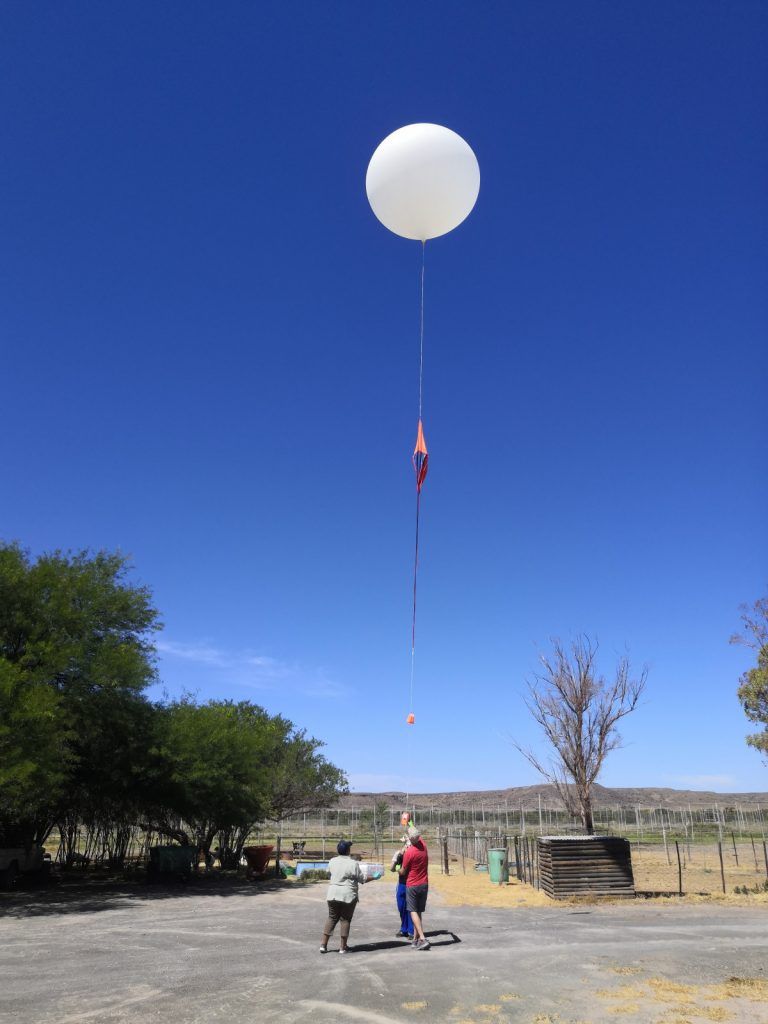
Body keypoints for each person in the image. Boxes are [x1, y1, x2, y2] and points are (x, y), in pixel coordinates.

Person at [319, 840, 368, 954]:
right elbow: (362, 879)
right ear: (348, 850)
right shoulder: (353, 863)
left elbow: (328, 873)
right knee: (345, 919)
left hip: (333, 894)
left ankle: (323, 945)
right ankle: (343, 947)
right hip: (348, 895)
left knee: (332, 918)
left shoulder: (332, 861)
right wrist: (374, 877)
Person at [400, 825, 430, 950]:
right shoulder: (423, 845)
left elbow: (403, 871)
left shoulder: (409, 852)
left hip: (412, 884)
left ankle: (422, 938)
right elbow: (416, 834)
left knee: (413, 911)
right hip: (424, 884)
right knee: (418, 912)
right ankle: (415, 940)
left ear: (410, 838)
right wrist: (410, 827)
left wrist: (397, 868)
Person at [390, 836, 414, 939]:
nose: (407, 847)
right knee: (401, 907)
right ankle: (404, 929)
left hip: (412, 883)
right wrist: (397, 859)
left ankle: (412, 931)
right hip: (402, 883)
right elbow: (392, 869)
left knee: (411, 908)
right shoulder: (398, 854)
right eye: (406, 845)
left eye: (409, 845)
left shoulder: (414, 854)